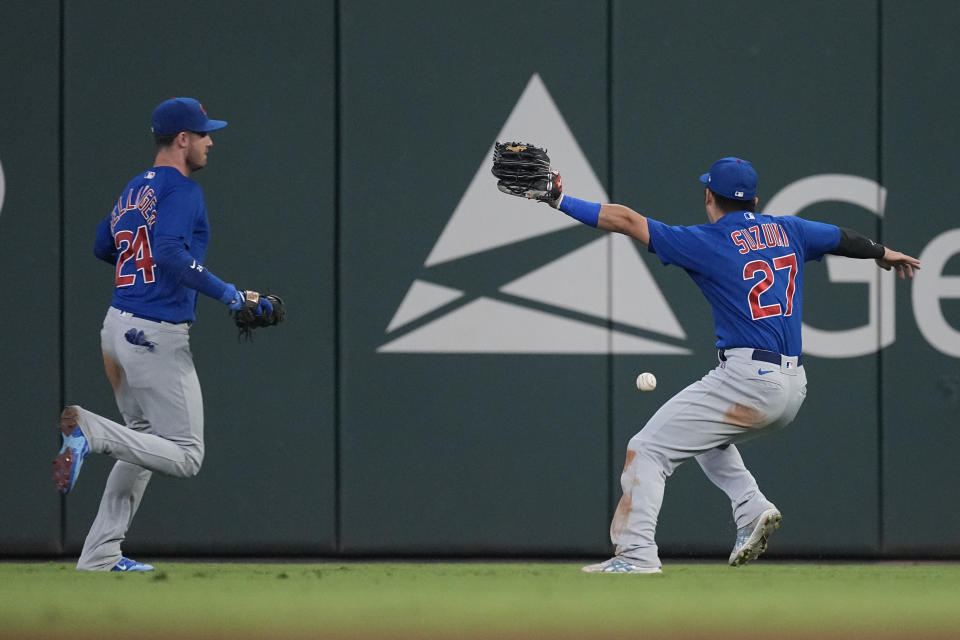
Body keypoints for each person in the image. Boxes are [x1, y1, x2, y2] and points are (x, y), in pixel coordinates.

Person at [503, 156, 920, 574]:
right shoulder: (789, 230)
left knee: (647, 449)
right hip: (793, 385)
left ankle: (635, 554)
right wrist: (882, 253)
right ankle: (750, 508)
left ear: (708, 196)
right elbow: (841, 237)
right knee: (704, 439)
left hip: (749, 379)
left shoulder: (706, 241)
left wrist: (557, 198)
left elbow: (627, 220)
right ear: (755, 200)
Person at [52, 97, 274, 572]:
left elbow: (102, 245)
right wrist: (232, 295)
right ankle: (90, 431)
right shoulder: (183, 191)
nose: (210, 142)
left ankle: (100, 555)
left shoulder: (136, 189)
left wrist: (145, 271)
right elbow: (171, 253)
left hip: (116, 327)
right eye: (204, 134)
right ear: (182, 140)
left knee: (144, 439)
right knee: (186, 455)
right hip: (153, 333)